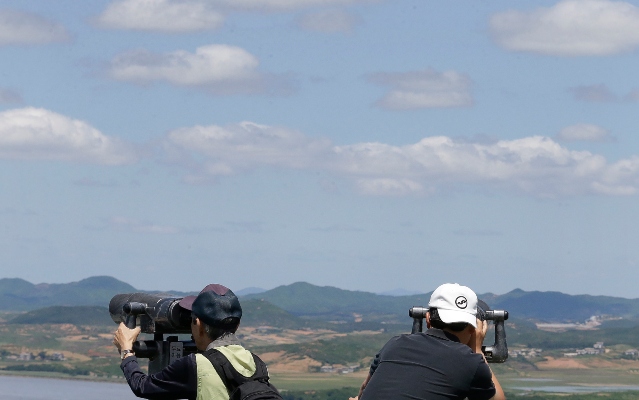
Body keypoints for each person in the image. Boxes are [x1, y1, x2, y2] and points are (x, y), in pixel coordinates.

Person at [354, 283, 506, 400]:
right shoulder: (470, 362)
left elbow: (364, 391)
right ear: (473, 329)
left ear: (427, 318)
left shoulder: (394, 344)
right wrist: (477, 351)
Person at [113, 284, 263, 400]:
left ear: (197, 324)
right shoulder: (256, 362)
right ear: (237, 325)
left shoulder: (196, 365)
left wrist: (127, 349)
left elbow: (142, 386)